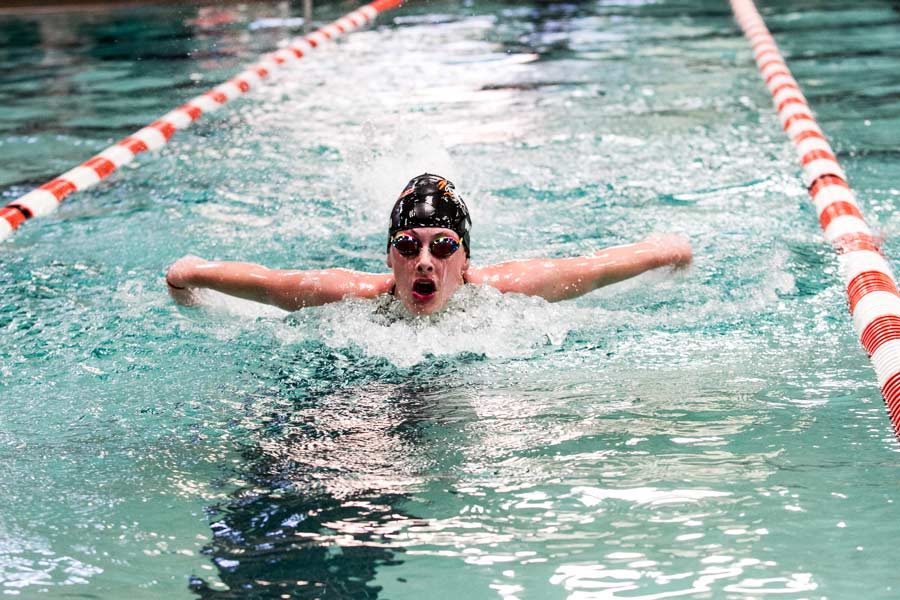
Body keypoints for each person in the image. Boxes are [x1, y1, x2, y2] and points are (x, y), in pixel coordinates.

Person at [166, 173, 692, 315]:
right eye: (408, 245)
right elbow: (268, 282)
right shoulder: (348, 296)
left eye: (443, 246)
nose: (424, 260)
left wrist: (666, 250)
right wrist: (189, 273)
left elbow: (595, 268)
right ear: (389, 257)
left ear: (465, 259)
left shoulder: (512, 290)